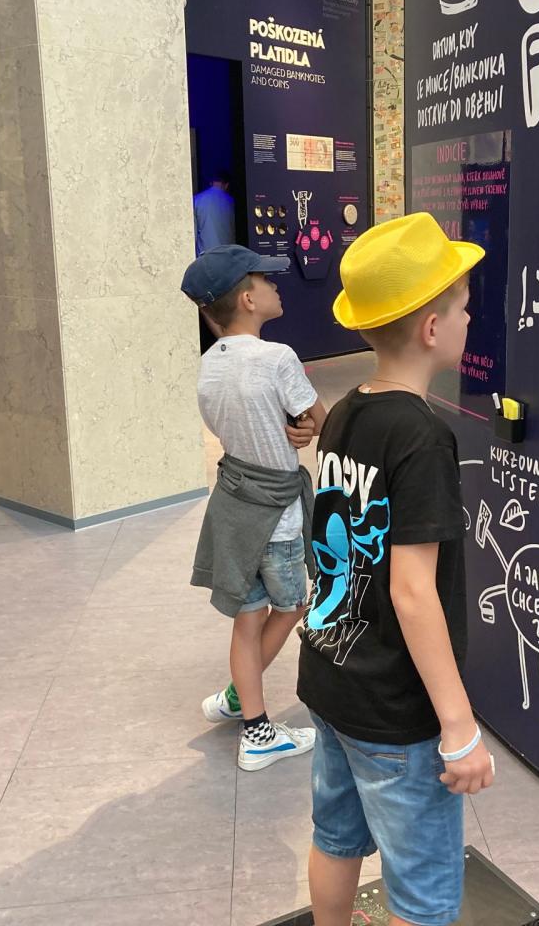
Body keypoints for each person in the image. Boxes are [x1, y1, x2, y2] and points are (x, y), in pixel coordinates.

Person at [299, 213, 495, 926]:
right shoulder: (423, 436)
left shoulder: (347, 412)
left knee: (335, 837)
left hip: (330, 674)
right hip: (393, 711)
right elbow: (413, 592)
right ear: (433, 329)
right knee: (423, 894)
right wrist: (458, 725)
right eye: (464, 307)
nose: (470, 318)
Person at [183, 244, 327, 772]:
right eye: (266, 280)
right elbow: (323, 421)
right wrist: (306, 428)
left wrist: (289, 429)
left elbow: (251, 425)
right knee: (289, 606)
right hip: (277, 514)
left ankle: (239, 699)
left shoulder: (209, 365)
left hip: (233, 505)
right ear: (247, 298)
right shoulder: (277, 358)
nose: (275, 285)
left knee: (247, 618)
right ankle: (258, 729)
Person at [194, 169, 236, 256]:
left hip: (206, 256)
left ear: (211, 183)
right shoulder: (231, 202)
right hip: (228, 255)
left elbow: (193, 234)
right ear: (226, 185)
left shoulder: (196, 200)